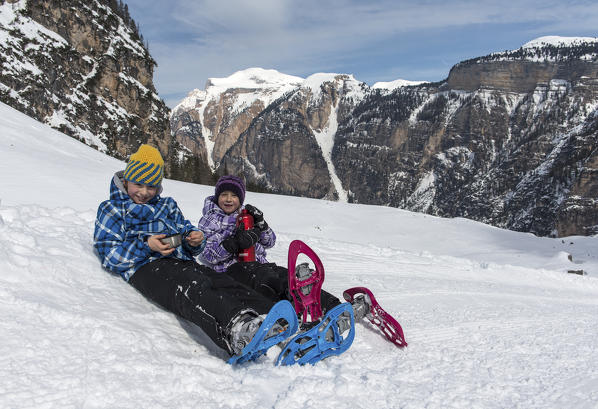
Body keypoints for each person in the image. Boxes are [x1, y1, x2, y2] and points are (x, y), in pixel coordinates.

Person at [93, 145, 297, 361]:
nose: (144, 192)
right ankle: (237, 329)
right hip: (146, 267)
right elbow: (109, 254)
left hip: (181, 260)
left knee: (222, 282)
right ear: (126, 180)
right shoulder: (112, 209)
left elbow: (185, 230)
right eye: (138, 184)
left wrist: (194, 239)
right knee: (191, 286)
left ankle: (278, 320)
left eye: (151, 186)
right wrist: (146, 246)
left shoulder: (167, 206)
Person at [197, 175, 347, 320]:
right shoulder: (209, 219)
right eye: (224, 194)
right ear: (217, 196)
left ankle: (332, 305)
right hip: (233, 269)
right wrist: (234, 242)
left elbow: (270, 242)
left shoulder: (246, 216)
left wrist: (262, 225)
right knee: (266, 280)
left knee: (288, 276)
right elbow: (209, 255)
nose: (229, 199)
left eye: (234, 196)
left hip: (261, 264)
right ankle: (291, 305)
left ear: (240, 199)